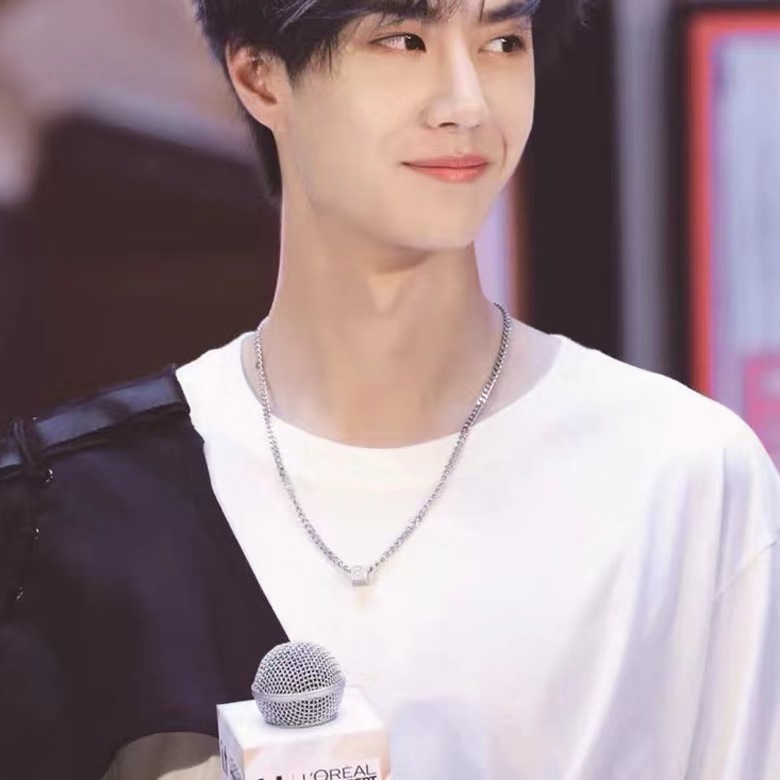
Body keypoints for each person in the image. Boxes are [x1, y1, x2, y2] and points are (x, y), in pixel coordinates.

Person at [1, 0, 778, 778]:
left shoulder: (684, 475)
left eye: (503, 43)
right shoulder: (76, 510)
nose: (468, 103)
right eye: (404, 40)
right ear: (260, 76)